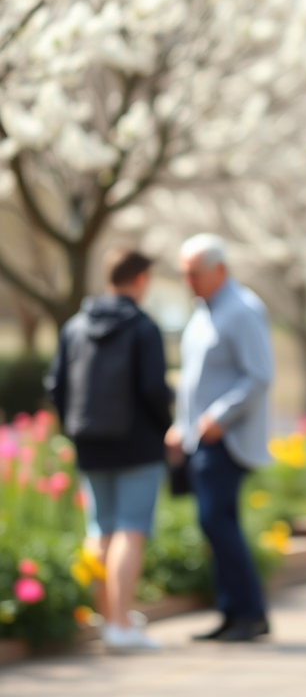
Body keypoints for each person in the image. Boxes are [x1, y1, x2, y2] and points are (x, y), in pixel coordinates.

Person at [45, 248, 171, 650]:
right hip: (137, 443)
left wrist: (75, 427)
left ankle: (108, 620)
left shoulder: (74, 327)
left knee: (100, 530)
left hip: (89, 443)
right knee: (130, 531)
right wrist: (165, 427)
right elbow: (154, 389)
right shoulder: (144, 327)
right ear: (139, 280)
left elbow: (56, 387)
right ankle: (120, 625)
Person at [165, 234, 274, 642]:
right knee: (215, 523)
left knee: (216, 520)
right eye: (183, 274)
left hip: (225, 439)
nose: (187, 281)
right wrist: (181, 423)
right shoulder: (202, 311)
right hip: (201, 438)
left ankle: (250, 613)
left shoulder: (243, 310)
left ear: (219, 270)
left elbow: (259, 375)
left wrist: (219, 417)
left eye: (193, 274)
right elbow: (195, 379)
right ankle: (235, 613)